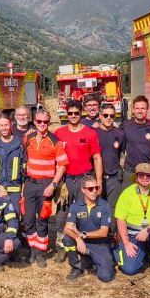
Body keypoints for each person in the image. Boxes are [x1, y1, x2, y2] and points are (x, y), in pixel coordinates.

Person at [54, 100, 103, 260]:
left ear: (81, 113)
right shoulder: (59, 133)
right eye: (70, 113)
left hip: (85, 179)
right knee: (63, 213)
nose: (73, 116)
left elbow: (97, 158)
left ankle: (85, 243)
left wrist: (99, 182)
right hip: (67, 180)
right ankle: (62, 246)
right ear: (66, 114)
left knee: (84, 213)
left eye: (76, 113)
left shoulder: (90, 133)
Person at [20, 108, 67, 267]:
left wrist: (53, 185)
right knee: (27, 220)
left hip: (46, 186)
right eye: (39, 121)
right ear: (34, 122)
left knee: (42, 220)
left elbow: (62, 166)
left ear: (49, 122)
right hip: (30, 184)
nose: (42, 124)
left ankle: (40, 253)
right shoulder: (28, 138)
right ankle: (33, 249)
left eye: (45, 122)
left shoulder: (55, 141)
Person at [114, 163, 150, 282]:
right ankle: (142, 253)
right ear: (136, 178)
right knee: (129, 270)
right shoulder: (126, 193)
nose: (145, 178)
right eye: (142, 175)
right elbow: (120, 219)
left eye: (148, 176)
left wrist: (147, 230)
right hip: (132, 234)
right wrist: (126, 244)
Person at [62, 174, 115, 282]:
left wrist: (83, 234)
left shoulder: (104, 205)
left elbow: (104, 232)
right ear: (83, 190)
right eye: (91, 188)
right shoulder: (75, 206)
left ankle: (91, 260)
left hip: (100, 244)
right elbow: (67, 228)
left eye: (97, 187)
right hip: (83, 242)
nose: (95, 191)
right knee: (67, 239)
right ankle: (77, 267)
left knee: (106, 277)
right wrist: (78, 238)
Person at [121, 95, 150, 190]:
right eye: (137, 108)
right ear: (133, 110)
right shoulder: (125, 125)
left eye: (143, 108)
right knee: (128, 201)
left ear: (147, 110)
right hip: (130, 171)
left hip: (148, 173)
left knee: (147, 202)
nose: (140, 111)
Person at [0, 115, 26, 201]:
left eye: (6, 125)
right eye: (1, 125)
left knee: (14, 214)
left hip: (15, 192)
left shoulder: (20, 144)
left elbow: (24, 170)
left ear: (11, 125)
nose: (4, 128)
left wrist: (23, 190)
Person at [94, 103, 125, 204]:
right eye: (105, 115)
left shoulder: (120, 134)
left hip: (114, 178)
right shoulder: (93, 133)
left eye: (111, 116)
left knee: (112, 210)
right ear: (100, 116)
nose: (108, 118)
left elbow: (121, 154)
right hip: (95, 178)